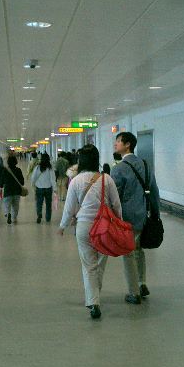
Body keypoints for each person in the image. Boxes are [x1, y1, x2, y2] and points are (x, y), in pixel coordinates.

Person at [57, 144, 122, 319]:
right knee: (99, 263)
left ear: (81, 160)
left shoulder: (76, 181)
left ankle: (93, 301)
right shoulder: (107, 179)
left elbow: (69, 208)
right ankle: (95, 296)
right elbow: (116, 204)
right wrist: (119, 221)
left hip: (84, 226)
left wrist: (62, 226)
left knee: (88, 265)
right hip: (105, 227)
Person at [110, 132, 160, 305]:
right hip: (143, 215)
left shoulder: (118, 169)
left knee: (128, 253)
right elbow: (154, 191)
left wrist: (112, 218)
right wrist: (155, 214)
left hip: (127, 217)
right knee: (138, 250)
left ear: (128, 145)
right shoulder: (145, 165)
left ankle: (134, 292)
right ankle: (141, 283)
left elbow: (114, 197)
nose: (115, 144)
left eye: (118, 141)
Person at [0, 155, 25, 225]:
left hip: (7, 191)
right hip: (17, 191)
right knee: (15, 206)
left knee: (7, 204)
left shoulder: (5, 170)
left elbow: (1, 182)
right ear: (16, 162)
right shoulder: (18, 170)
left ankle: (8, 213)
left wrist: (1, 186)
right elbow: (22, 182)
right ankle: (14, 218)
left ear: (8, 162)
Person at [31, 153, 56, 223]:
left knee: (39, 203)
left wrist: (32, 184)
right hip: (48, 188)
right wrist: (55, 189)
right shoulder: (50, 168)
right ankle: (48, 218)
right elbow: (53, 179)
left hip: (39, 188)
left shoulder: (37, 167)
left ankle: (39, 214)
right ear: (48, 159)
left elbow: (33, 177)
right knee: (48, 204)